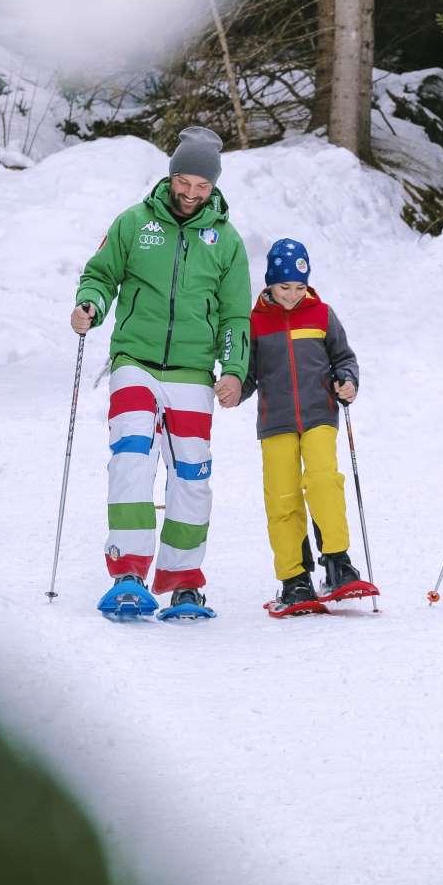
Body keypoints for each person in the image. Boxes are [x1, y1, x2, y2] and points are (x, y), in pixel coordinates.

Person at [71, 125, 252, 619]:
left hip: (193, 372)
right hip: (136, 361)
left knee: (191, 475)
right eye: (186, 182)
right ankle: (129, 574)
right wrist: (90, 304)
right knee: (130, 457)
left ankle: (185, 582)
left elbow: (236, 315)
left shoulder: (227, 241)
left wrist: (234, 369)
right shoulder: (134, 223)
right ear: (172, 175)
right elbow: (101, 274)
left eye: (203, 186)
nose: (192, 194)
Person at [238, 238, 369, 614]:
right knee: (282, 497)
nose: (292, 295)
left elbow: (344, 357)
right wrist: (233, 388)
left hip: (319, 414)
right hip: (275, 420)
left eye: (298, 287)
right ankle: (294, 579)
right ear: (269, 284)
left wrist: (347, 380)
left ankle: (337, 562)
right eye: (284, 287)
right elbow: (247, 375)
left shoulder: (323, 315)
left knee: (324, 481)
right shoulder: (255, 322)